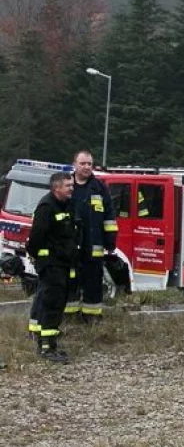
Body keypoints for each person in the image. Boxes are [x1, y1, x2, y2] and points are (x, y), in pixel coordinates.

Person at [26, 172, 79, 363]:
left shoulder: (66, 205)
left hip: (63, 263)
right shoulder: (47, 207)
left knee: (58, 304)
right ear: (56, 188)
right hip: (51, 265)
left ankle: (50, 342)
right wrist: (43, 258)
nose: (71, 188)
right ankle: (46, 347)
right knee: (51, 304)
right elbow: (36, 238)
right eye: (67, 186)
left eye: (71, 185)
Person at [68, 150, 118, 323]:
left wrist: (110, 240)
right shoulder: (67, 185)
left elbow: (109, 216)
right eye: (83, 163)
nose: (87, 167)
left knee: (93, 282)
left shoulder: (99, 187)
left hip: (93, 245)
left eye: (90, 164)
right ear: (74, 164)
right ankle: (69, 315)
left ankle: (92, 316)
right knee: (70, 281)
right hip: (70, 245)